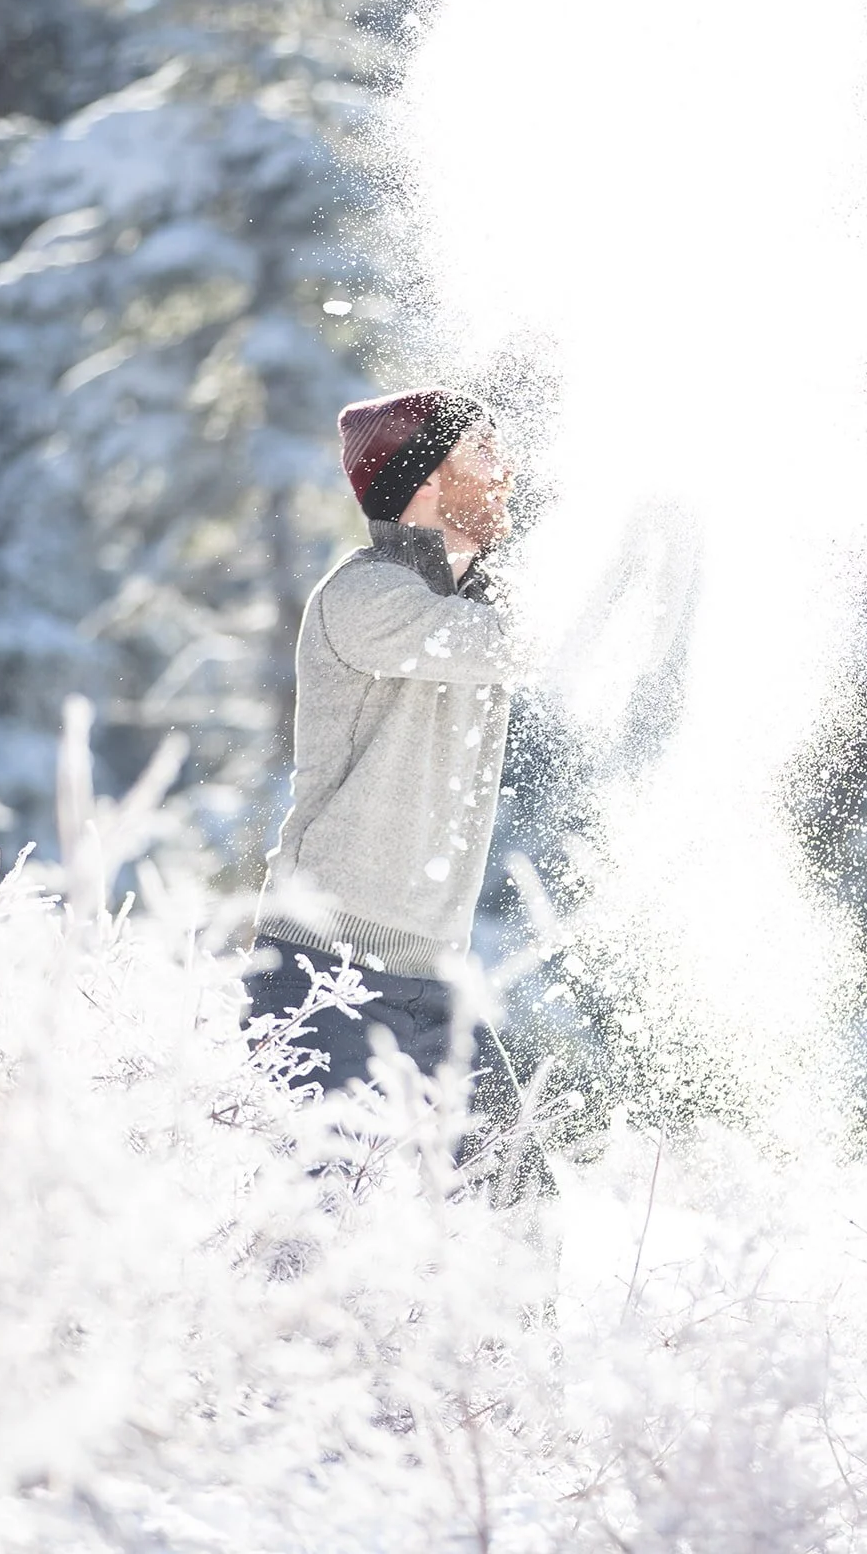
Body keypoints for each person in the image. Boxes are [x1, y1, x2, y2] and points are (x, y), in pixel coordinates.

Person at [245, 386, 546, 1197]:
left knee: (519, 1210)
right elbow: (515, 644)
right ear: (425, 475)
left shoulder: (479, 602)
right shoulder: (362, 597)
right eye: (482, 451)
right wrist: (625, 550)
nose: (506, 473)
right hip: (322, 970)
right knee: (315, 1226)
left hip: (433, 979)